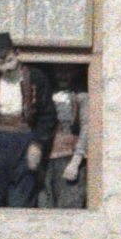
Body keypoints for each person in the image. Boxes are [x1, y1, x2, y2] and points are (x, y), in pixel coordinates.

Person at [0, 31, 55, 208]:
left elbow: (48, 115)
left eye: (9, 61)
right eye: (0, 63)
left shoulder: (36, 78)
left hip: (24, 141)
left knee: (21, 199)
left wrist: (37, 144)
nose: (7, 67)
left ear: (17, 53)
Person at [37, 65, 88, 210]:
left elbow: (87, 128)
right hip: (45, 160)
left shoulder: (80, 96)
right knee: (44, 206)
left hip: (68, 158)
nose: (62, 76)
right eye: (59, 71)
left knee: (68, 209)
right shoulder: (45, 95)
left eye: (67, 71)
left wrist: (76, 161)